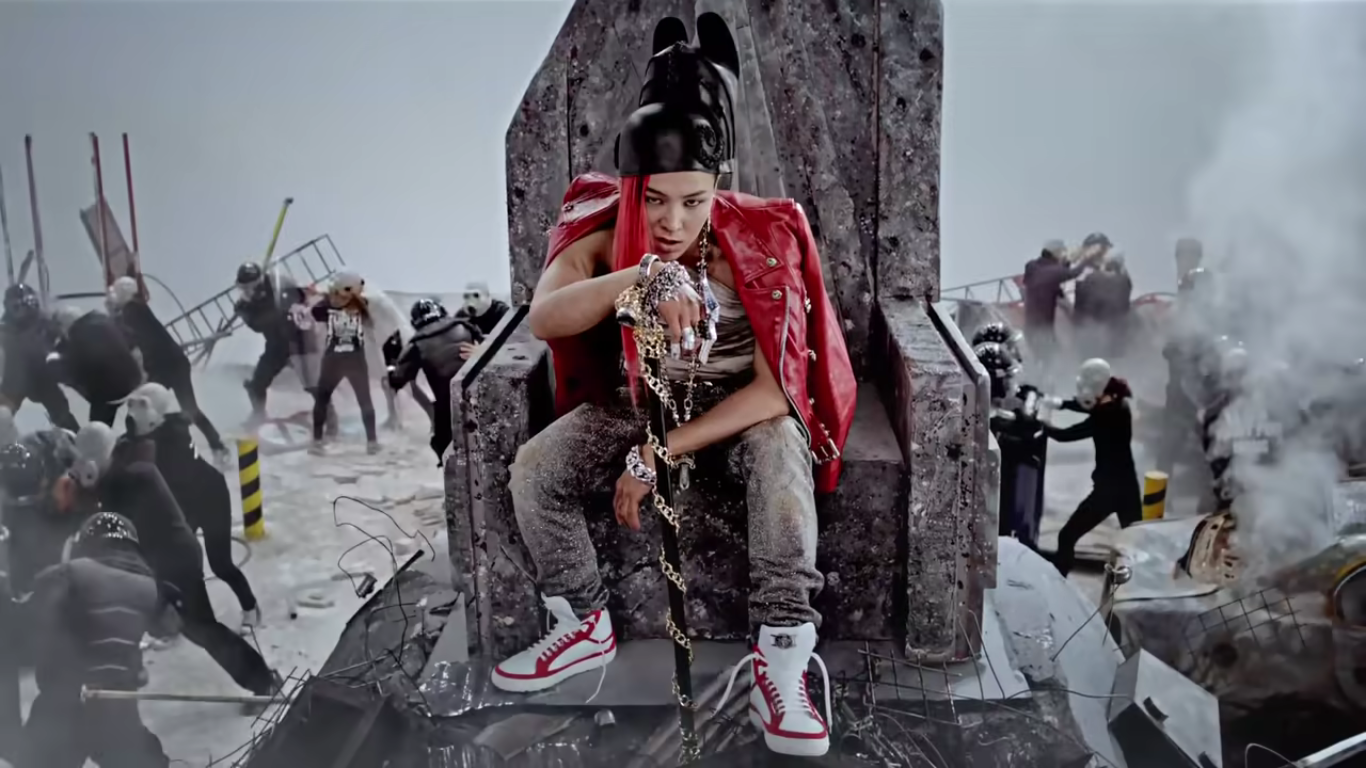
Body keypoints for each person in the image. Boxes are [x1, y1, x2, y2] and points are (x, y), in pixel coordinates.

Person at [487, 15, 855, 759]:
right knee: (535, 469)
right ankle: (584, 623)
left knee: (783, 454)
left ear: (717, 186)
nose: (673, 220)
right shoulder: (603, 231)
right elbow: (547, 316)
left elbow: (778, 393)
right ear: (633, 188)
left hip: (735, 416)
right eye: (654, 200)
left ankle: (780, 655)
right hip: (642, 397)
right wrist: (643, 277)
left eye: (692, 200)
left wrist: (659, 451)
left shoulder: (763, 238)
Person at [64, 422, 280, 701]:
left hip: (176, 564)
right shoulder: (124, 470)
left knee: (203, 628)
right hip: (162, 563)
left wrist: (87, 486)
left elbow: (111, 510)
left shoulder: (133, 477)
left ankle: (264, 682)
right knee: (183, 624)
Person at [14, 512, 169, 768]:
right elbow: (168, 627)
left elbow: (27, 620)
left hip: (63, 703)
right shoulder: (149, 587)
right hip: (117, 706)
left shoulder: (69, 572)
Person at [119, 382, 262, 633]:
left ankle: (250, 607)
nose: (132, 414)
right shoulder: (143, 437)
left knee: (220, 564)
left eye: (140, 407)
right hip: (181, 503)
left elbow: (159, 476)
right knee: (168, 567)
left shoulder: (173, 436)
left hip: (210, 499)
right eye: (131, 406)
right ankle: (170, 622)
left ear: (154, 415)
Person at [106, 276, 228, 462]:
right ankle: (217, 446)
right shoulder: (137, 309)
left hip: (166, 367)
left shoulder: (131, 311)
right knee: (187, 408)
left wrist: (113, 317)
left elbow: (127, 340)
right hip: (173, 364)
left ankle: (141, 453)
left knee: (146, 409)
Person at [1044, 358, 1141, 576]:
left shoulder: (1106, 416)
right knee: (1137, 540)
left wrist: (1040, 424)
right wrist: (1060, 403)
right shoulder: (1118, 404)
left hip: (1108, 492)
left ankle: (1059, 579)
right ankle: (1142, 585)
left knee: (1067, 536)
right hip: (1128, 487)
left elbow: (1065, 435)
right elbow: (1088, 406)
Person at [387, 299, 480, 465]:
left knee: (444, 448)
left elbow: (397, 381)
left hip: (449, 405)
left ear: (414, 323)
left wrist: (391, 359)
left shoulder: (417, 344)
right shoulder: (466, 327)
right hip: (481, 393)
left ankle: (453, 480)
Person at [307, 271, 380, 455]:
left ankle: (317, 441)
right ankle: (372, 442)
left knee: (323, 399)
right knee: (364, 400)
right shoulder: (363, 306)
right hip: (354, 360)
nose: (333, 295)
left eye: (336, 292)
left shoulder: (325, 307)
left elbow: (316, 311)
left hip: (334, 360)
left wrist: (320, 295)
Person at [233, 262, 313, 427]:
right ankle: (258, 415)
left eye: (250, 287)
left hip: (298, 341)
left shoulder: (278, 284)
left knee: (313, 383)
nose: (248, 292)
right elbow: (257, 326)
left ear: (259, 282)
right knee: (256, 385)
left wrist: (279, 302)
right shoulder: (247, 304)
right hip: (276, 346)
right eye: (244, 288)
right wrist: (245, 312)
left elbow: (300, 300)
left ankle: (330, 419)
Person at [45, 304, 144, 426]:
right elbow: (130, 339)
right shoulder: (104, 320)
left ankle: (99, 434)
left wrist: (52, 360)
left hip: (112, 395)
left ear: (64, 325)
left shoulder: (77, 337)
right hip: (135, 380)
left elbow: (74, 368)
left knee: (97, 427)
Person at [0, 284, 78, 432]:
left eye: (28, 304)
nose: (24, 310)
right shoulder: (4, 330)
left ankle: (77, 440)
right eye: (17, 306)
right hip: (14, 381)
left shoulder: (46, 323)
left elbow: (64, 343)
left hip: (42, 376)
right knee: (2, 414)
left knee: (61, 412)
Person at [1022, 238, 1098, 374]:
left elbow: (1052, 274)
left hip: (1031, 327)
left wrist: (1066, 263)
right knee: (1051, 360)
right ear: (1055, 253)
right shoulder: (1052, 272)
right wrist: (1087, 260)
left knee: (1045, 359)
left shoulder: (1032, 267)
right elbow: (1071, 273)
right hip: (1042, 328)